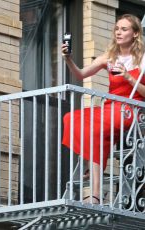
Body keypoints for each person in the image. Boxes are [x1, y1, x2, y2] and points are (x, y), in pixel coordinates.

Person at [61, 14, 145, 204]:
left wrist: (128, 77)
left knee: (96, 130)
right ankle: (95, 181)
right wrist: (68, 58)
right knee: (71, 117)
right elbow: (81, 74)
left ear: (135, 33)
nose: (118, 32)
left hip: (131, 109)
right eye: (117, 28)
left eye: (124, 29)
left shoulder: (143, 59)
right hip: (110, 107)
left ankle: (95, 192)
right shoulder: (109, 57)